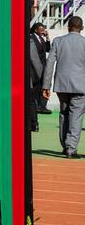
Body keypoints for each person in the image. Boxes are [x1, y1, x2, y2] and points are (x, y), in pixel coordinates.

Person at [42, 15, 85, 159]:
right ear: (82, 28)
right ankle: (71, 149)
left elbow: (49, 64)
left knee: (64, 113)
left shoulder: (58, 41)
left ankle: (65, 145)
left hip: (61, 85)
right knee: (76, 116)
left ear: (68, 27)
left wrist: (46, 86)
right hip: (80, 86)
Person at [28, 23, 52, 132]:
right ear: (36, 29)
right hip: (34, 71)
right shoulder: (31, 38)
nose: (43, 31)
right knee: (32, 96)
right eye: (41, 29)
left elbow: (48, 49)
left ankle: (41, 106)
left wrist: (47, 38)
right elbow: (33, 58)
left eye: (44, 29)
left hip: (42, 69)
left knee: (40, 91)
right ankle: (34, 119)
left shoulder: (42, 39)